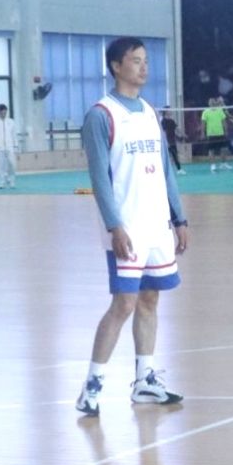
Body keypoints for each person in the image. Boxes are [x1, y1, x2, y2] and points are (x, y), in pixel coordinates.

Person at [72, 37, 188, 417]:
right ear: (116, 66)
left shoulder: (150, 112)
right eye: (135, 61)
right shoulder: (101, 115)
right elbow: (100, 178)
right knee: (124, 303)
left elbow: (166, 169)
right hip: (127, 228)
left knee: (150, 299)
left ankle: (145, 381)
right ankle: (91, 388)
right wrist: (114, 226)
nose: (144, 67)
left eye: (145, 61)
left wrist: (179, 218)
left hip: (157, 226)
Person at [0, 103, 18, 190]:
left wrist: (16, 145)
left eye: (5, 112)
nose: (4, 114)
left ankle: (11, 180)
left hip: (10, 146)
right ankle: (1, 182)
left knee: (12, 164)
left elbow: (14, 134)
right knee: (0, 166)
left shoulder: (11, 122)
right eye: (2, 112)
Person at [201, 97, 232, 171]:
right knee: (211, 150)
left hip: (220, 133)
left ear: (215, 103)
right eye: (210, 102)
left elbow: (224, 122)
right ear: (209, 104)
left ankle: (223, 164)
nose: (212, 103)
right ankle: (213, 165)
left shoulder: (220, 111)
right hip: (211, 134)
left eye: (213, 102)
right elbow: (203, 124)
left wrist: (226, 131)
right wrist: (202, 133)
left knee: (224, 149)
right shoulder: (205, 112)